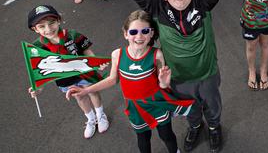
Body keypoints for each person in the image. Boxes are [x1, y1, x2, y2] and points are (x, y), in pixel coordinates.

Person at [87, 0, 244, 153]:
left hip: (207, 74)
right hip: (178, 78)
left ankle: (214, 127)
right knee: (190, 110)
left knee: (212, 105)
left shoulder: (203, 1)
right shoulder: (157, 7)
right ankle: (195, 126)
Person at [67, 10, 195, 152]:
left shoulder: (156, 54)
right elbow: (112, 80)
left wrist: (164, 83)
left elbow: (162, 85)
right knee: (143, 138)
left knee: (166, 134)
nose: (139, 36)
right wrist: (85, 90)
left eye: (145, 31)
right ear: (126, 34)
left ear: (151, 33)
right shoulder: (117, 54)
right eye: (133, 32)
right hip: (135, 107)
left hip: (156, 103)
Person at [26, 5, 109, 138]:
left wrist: (96, 63)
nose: (48, 29)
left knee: (92, 91)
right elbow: (40, 71)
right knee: (79, 96)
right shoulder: (36, 48)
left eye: (51, 23)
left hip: (85, 72)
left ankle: (101, 115)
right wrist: (38, 88)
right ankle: (91, 119)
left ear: (59, 20)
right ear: (35, 29)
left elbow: (87, 51)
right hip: (65, 79)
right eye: (42, 26)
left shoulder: (72, 35)